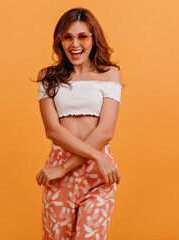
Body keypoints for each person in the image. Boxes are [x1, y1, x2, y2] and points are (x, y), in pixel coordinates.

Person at [34, 7, 124, 240]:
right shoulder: (48, 77)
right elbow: (52, 130)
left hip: (98, 175)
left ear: (94, 39)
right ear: (60, 42)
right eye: (68, 37)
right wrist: (95, 156)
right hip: (60, 173)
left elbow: (105, 131)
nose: (75, 44)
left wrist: (92, 160)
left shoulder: (110, 74)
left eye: (82, 36)